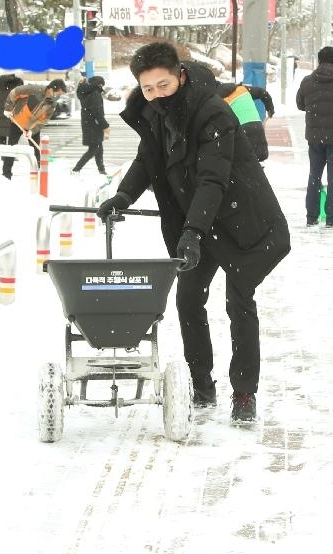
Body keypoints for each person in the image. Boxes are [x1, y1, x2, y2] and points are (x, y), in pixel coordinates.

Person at [95, 41, 291, 423]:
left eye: (163, 86)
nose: (156, 96)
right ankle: (201, 384)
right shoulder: (153, 114)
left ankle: (245, 391)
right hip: (198, 223)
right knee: (188, 300)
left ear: (181, 75)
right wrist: (123, 195)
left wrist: (193, 231)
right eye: (148, 89)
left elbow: (213, 179)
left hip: (238, 222)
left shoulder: (212, 112)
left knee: (239, 303)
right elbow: (146, 158)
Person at [296, 46, 333, 227]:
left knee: (314, 176)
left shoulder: (308, 81)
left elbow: (300, 104)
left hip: (315, 138)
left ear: (319, 60)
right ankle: (332, 217)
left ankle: (311, 216)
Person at [184, 61, 275, 162]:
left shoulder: (215, 102)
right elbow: (262, 93)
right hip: (258, 135)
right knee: (253, 166)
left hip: (240, 139)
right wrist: (270, 109)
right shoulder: (241, 89)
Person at [1, 78, 67, 179]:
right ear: (51, 89)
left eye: (60, 94)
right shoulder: (34, 90)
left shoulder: (52, 104)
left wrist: (32, 131)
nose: (58, 96)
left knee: (36, 150)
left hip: (32, 126)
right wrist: (8, 108)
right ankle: (6, 174)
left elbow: (43, 121)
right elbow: (14, 92)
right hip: (17, 121)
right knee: (12, 148)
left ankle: (39, 172)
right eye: (58, 93)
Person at [71, 75, 110, 175]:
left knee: (99, 149)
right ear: (98, 84)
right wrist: (105, 126)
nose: (102, 87)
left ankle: (102, 171)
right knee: (93, 150)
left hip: (89, 124)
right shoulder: (95, 94)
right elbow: (97, 112)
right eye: (101, 84)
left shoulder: (87, 92)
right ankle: (76, 169)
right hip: (94, 126)